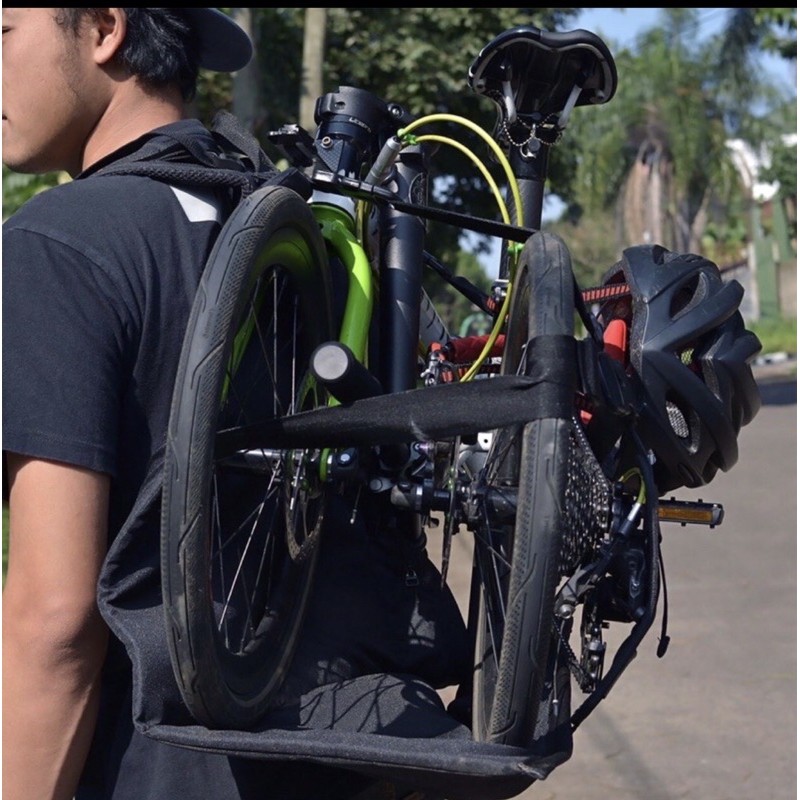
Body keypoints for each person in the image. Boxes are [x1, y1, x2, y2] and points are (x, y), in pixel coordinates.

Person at [3, 9, 458, 800]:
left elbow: (54, 622)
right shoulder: (314, 235)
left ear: (105, 27)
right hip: (349, 755)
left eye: (2, 30)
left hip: (160, 769)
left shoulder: (57, 244)